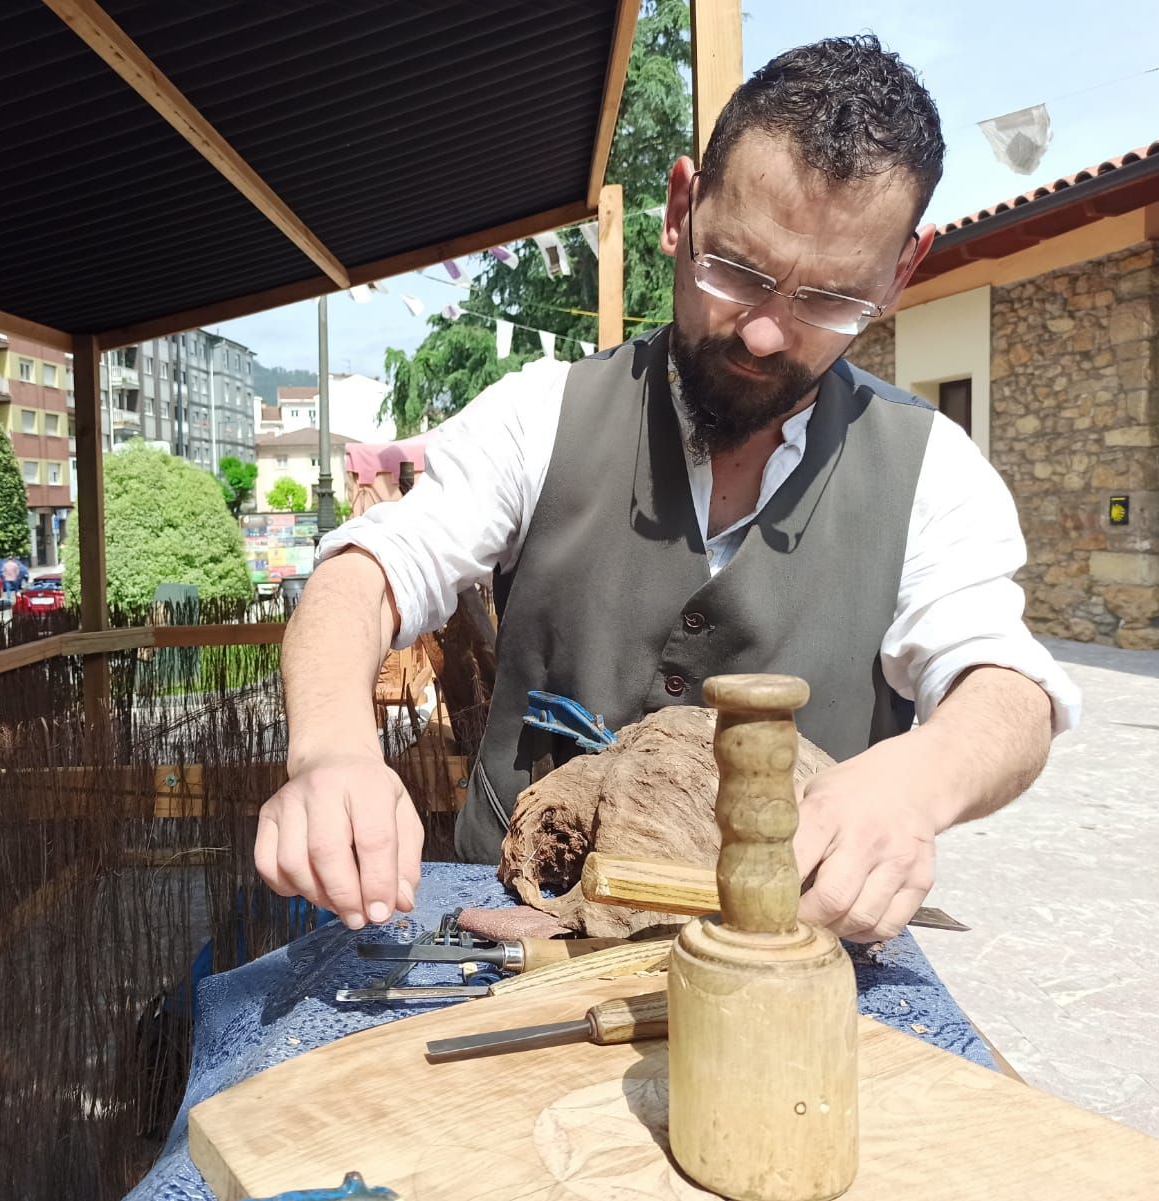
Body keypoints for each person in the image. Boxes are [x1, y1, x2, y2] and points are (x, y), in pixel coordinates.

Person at [255, 35, 1080, 942]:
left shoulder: (934, 471)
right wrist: (332, 750)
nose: (766, 334)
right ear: (682, 207)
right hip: (505, 944)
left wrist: (918, 781)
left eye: (830, 300)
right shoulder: (541, 415)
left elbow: (1007, 687)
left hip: (782, 975)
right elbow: (368, 570)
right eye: (737, 270)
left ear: (900, 272)